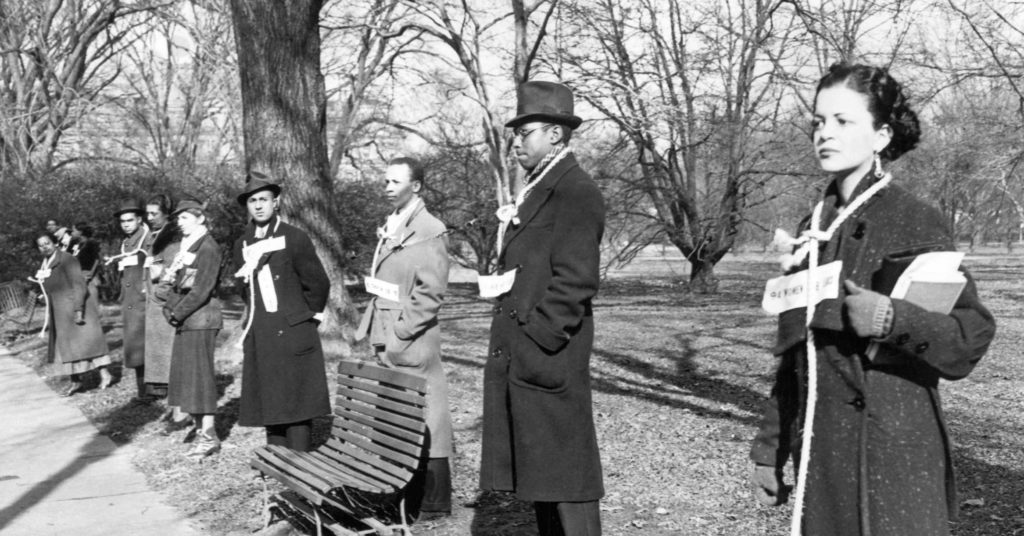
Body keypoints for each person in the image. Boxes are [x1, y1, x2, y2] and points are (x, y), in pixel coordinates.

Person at [749, 63, 997, 536]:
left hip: (893, 451)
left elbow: (971, 336)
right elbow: (793, 354)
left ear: (882, 135)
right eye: (819, 122)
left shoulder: (912, 219)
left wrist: (890, 318)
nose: (825, 133)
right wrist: (770, 448)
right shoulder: (813, 228)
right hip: (824, 452)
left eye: (844, 122)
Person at [479, 80, 605, 535]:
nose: (516, 141)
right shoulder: (538, 187)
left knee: (568, 479)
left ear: (556, 134)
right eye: (514, 133)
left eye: (525, 132)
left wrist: (537, 339)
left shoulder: (574, 191)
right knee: (542, 478)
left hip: (551, 357)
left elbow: (576, 281)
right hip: (527, 355)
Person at [354, 157, 454, 519]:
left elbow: (431, 293)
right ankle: (402, 495)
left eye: (395, 181)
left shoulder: (429, 228)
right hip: (388, 332)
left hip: (411, 337)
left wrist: (400, 333)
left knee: (427, 413)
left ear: (417, 186)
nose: (387, 187)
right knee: (398, 413)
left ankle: (433, 503)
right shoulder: (394, 224)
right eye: (385, 181)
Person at [233, 172, 330, 453]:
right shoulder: (242, 244)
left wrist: (304, 319)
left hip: (294, 332)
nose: (258, 206)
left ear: (276, 202)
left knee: (297, 403)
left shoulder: (294, 237)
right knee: (271, 402)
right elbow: (244, 289)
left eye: (264, 199)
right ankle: (278, 465)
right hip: (262, 335)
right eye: (252, 201)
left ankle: (299, 465)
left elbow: (318, 283)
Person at [163, 197, 223, 460]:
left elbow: (201, 289)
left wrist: (176, 312)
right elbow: (181, 283)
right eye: (178, 218)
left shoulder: (208, 247)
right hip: (189, 320)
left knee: (200, 378)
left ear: (201, 219)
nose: (179, 222)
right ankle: (201, 431)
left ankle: (209, 434)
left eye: (185, 217)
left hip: (201, 320)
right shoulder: (190, 245)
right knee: (189, 377)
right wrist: (171, 307)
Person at [31, 233, 113, 396]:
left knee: (88, 344)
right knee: (66, 348)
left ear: (55, 243)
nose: (45, 247)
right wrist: (43, 295)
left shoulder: (67, 259)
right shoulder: (45, 263)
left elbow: (79, 284)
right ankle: (76, 381)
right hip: (59, 311)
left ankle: (106, 375)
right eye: (41, 245)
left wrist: (78, 309)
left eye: (47, 243)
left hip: (74, 307)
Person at [143, 194, 181, 402]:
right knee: (156, 343)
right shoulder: (154, 236)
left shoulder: (172, 238)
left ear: (166, 215)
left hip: (162, 299)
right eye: (147, 213)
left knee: (165, 343)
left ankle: (165, 385)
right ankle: (157, 385)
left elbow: (171, 269)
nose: (149, 217)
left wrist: (161, 294)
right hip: (152, 297)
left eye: (154, 213)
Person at [112, 200, 150, 401]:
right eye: (122, 221)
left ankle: (152, 389)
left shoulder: (147, 238)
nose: (126, 224)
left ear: (139, 220)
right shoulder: (126, 243)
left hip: (143, 301)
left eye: (130, 220)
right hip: (130, 301)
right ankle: (142, 390)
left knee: (147, 345)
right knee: (136, 348)